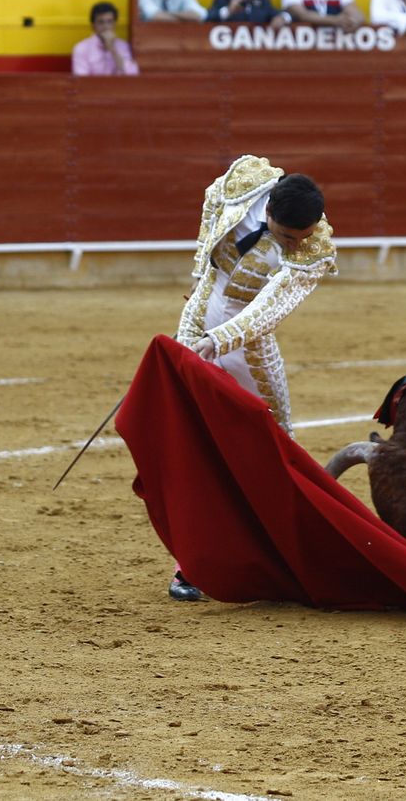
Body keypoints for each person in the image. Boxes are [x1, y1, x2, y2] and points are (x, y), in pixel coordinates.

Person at [168, 156, 336, 601]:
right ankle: (191, 564)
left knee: (276, 440)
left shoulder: (316, 249)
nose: (295, 245)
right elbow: (211, 208)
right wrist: (201, 274)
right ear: (269, 214)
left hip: (246, 342)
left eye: (302, 237)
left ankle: (289, 552)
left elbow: (269, 310)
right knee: (195, 441)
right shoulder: (244, 181)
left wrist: (218, 340)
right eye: (286, 236)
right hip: (201, 315)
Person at [71, 0, 138, 76]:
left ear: (115, 24)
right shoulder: (82, 48)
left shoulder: (123, 46)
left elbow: (132, 75)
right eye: (101, 22)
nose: (106, 27)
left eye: (110, 22)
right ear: (93, 26)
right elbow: (81, 80)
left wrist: (113, 49)